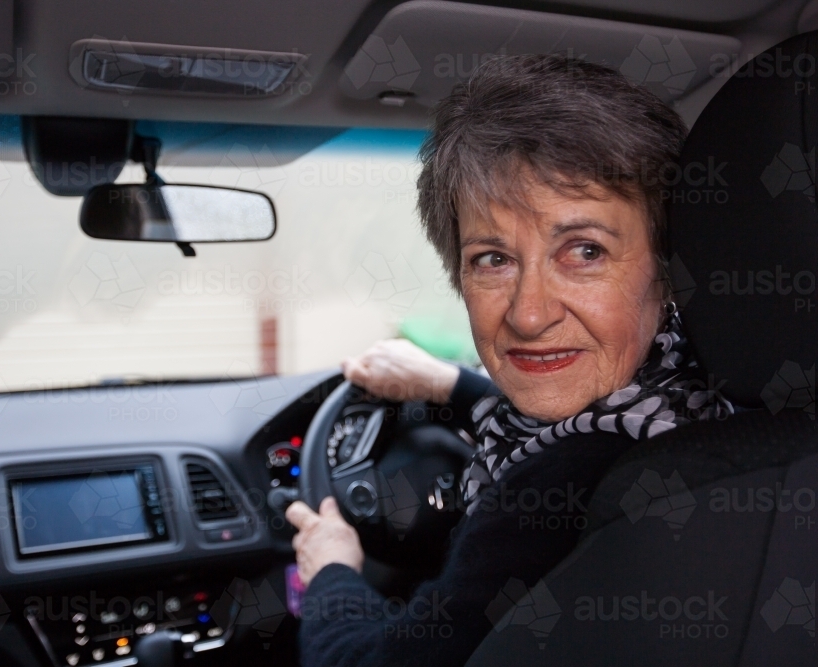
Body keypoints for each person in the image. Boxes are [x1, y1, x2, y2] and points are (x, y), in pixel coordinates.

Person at [284, 54, 733, 667]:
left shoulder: (548, 501)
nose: (526, 315)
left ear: (668, 267)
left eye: (584, 251)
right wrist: (451, 385)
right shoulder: (718, 405)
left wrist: (332, 570)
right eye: (493, 259)